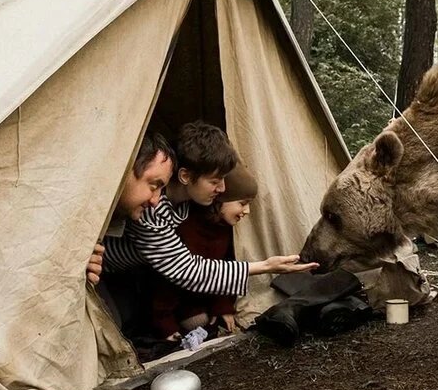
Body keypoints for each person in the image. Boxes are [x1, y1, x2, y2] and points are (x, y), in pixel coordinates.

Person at [87, 122, 315, 336]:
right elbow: (186, 269)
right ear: (185, 176)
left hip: (137, 269)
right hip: (104, 269)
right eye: (215, 181)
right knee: (116, 324)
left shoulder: (188, 201)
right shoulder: (150, 210)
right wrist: (265, 266)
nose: (222, 188)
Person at [141, 163, 259, 340]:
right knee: (198, 321)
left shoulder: (224, 228)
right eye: (242, 203)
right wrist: (165, 323)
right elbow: (165, 280)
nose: (247, 211)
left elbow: (225, 265)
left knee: (211, 322)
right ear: (220, 200)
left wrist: (223, 306)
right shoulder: (189, 227)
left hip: (204, 293)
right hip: (176, 298)